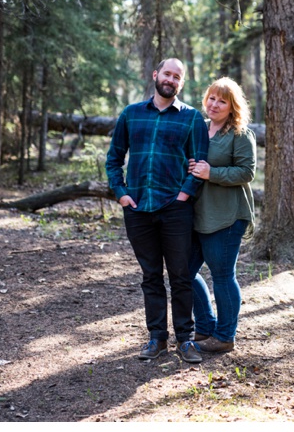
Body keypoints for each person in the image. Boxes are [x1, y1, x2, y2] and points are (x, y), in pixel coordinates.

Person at [105, 58, 208, 364]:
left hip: (175, 210)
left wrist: (183, 195)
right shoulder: (131, 114)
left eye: (178, 77)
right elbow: (114, 159)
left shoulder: (192, 118)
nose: (171, 79)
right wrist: (122, 194)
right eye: (167, 73)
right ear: (155, 75)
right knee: (151, 276)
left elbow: (199, 163)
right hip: (138, 209)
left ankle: (186, 340)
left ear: (182, 83)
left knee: (180, 275)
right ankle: (157, 339)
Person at [188, 77, 256, 354]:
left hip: (227, 216)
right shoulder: (199, 128)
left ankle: (224, 336)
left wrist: (211, 173)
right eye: (212, 98)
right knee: (183, 271)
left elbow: (246, 172)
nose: (214, 104)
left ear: (232, 106)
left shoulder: (240, 133)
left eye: (222, 101)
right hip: (197, 214)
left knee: (223, 275)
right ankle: (204, 326)